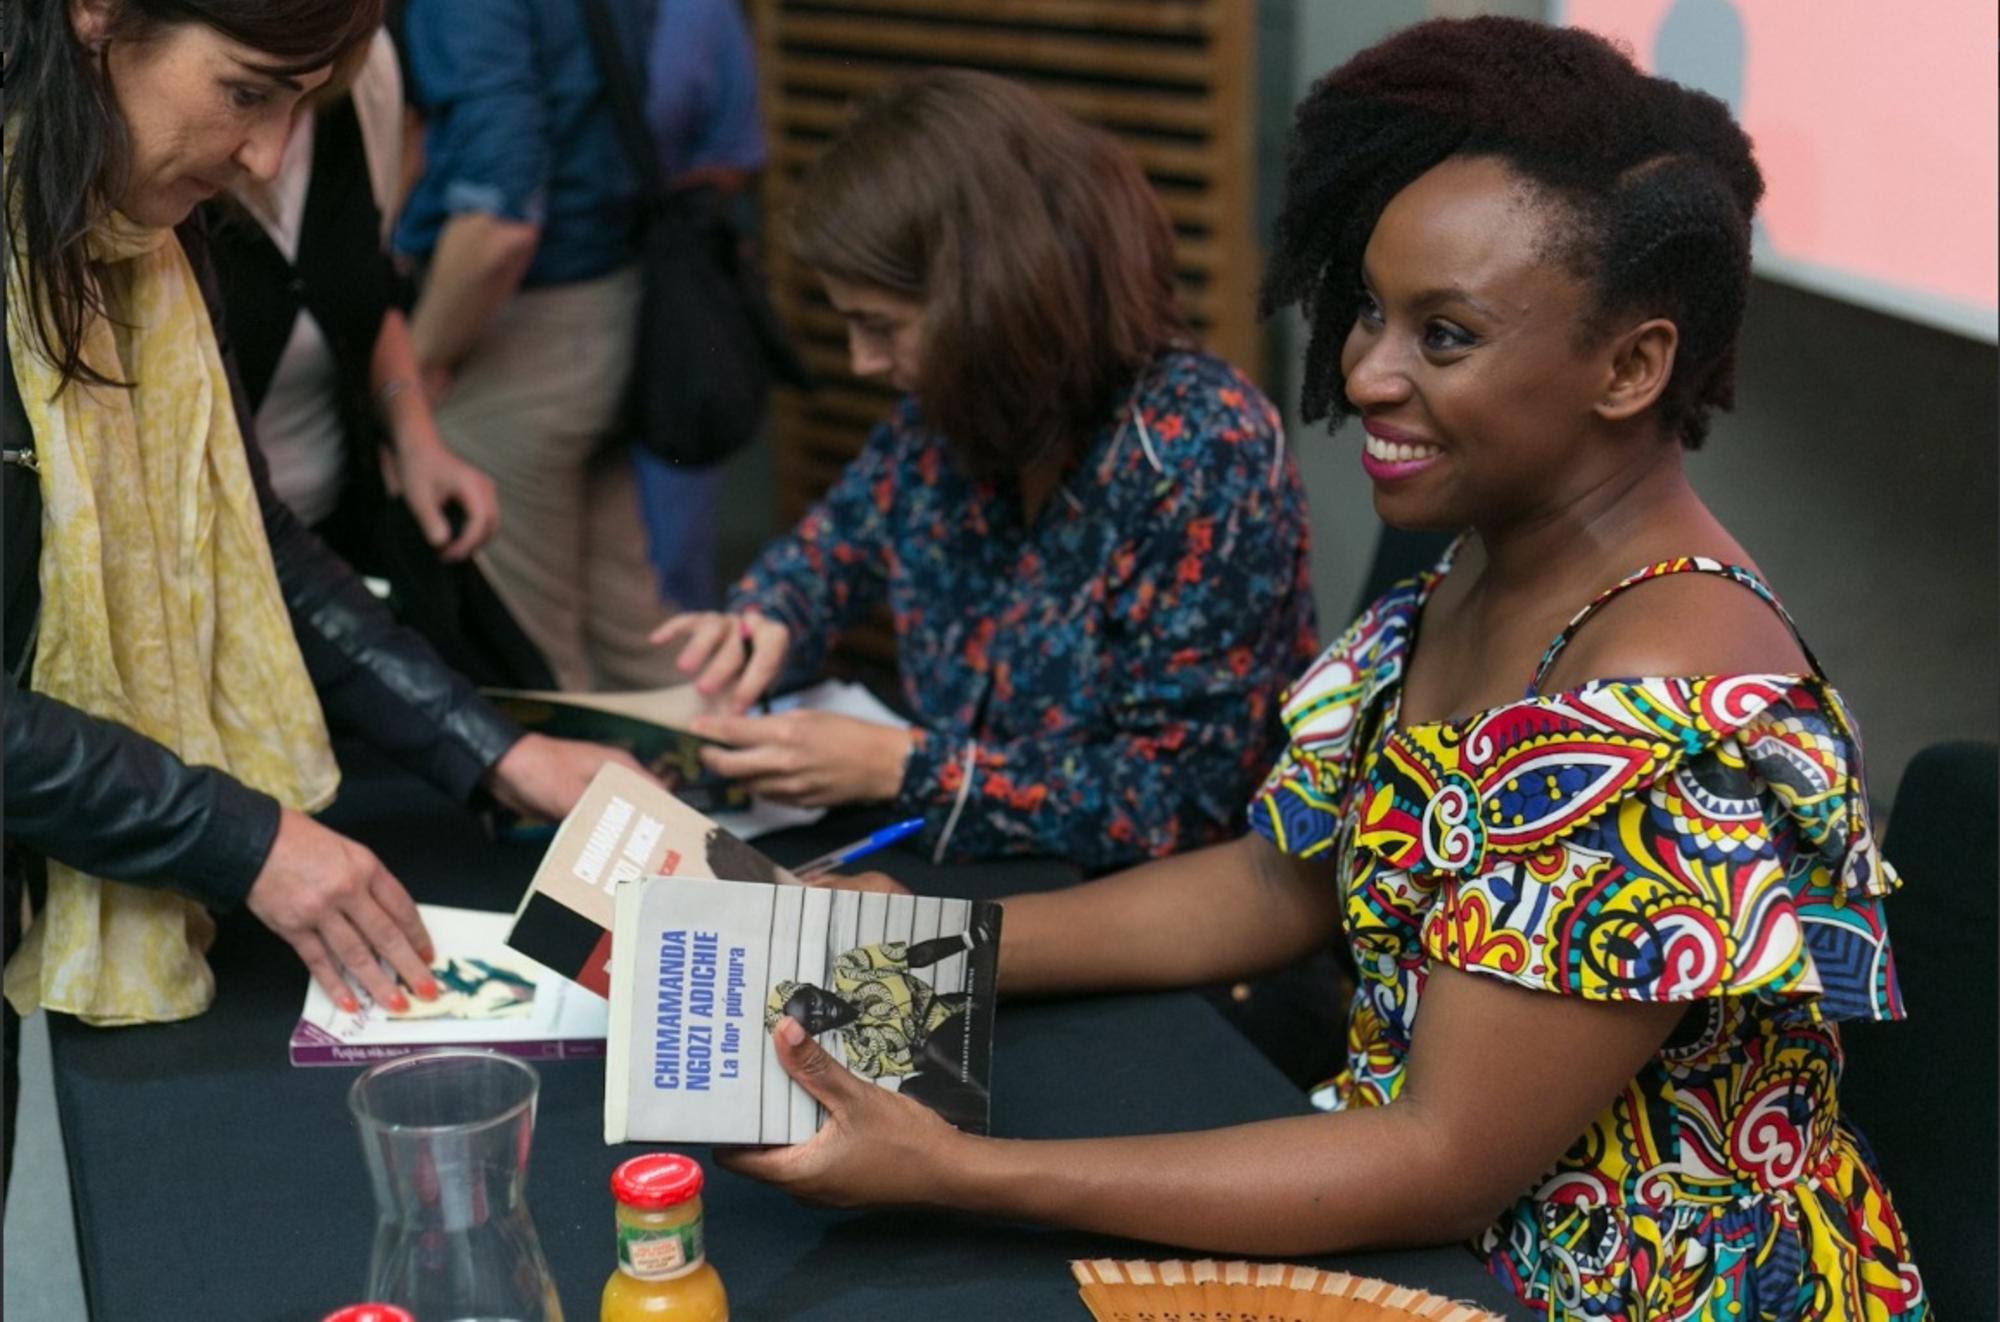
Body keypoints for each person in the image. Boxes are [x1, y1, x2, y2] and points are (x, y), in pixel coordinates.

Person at [716, 21, 1927, 1318]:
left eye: (1443, 335)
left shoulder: (1654, 702)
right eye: (1368, 312)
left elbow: (1441, 1160)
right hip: (1430, 1228)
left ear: (1632, 365)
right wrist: (911, 939)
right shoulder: (1474, 576)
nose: (1363, 371)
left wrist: (958, 1169)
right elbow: (1272, 884)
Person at [1, 0, 632, 1197]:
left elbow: (248, 538)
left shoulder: (145, 229)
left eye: (301, 103)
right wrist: (240, 836)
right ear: (95, 16)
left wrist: (496, 751)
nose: (270, 156)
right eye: (247, 91)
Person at [659, 70, 1318, 873]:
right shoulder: (946, 416)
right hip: (968, 867)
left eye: (882, 327)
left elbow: (1183, 799)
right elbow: (833, 551)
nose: (864, 363)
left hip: (1139, 921)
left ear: (995, 300)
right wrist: (764, 621)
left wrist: (902, 765)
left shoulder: (1201, 452)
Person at [205, 29, 550, 689]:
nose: (271, 155)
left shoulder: (367, 74)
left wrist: (417, 438)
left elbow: (367, 295)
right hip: (209, 577)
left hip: (333, 535)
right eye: (248, 95)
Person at [394, 0, 686, 693]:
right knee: (638, 642)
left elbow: (500, 219)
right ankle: (721, 792)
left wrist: (420, 366)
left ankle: (601, 803)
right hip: (609, 298)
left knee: (533, 665)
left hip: (515, 325)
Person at [630, 0, 770, 614]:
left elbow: (736, 155)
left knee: (673, 554)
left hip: (671, 296)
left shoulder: (701, 12)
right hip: (546, 306)